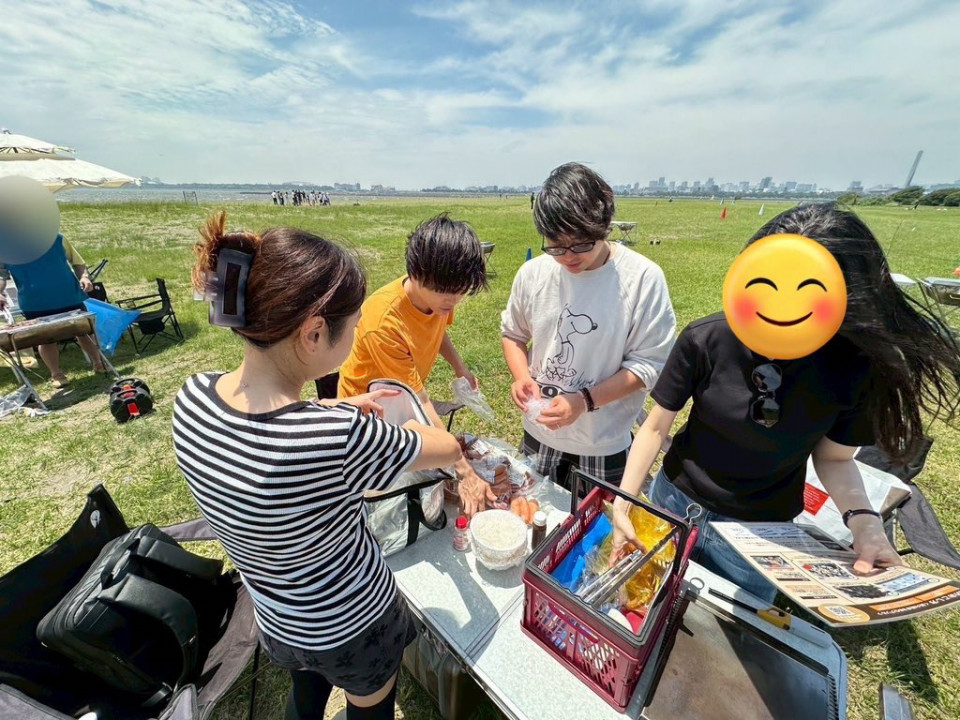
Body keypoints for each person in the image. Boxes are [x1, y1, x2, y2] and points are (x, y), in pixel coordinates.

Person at [172, 211, 461, 720]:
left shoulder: (191, 397)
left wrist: (332, 408)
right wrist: (374, 421)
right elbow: (447, 449)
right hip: (354, 623)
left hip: (279, 616)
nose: (357, 333)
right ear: (313, 334)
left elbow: (271, 429)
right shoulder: (339, 438)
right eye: (352, 325)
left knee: (304, 697)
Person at [612, 203, 960, 602]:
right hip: (674, 502)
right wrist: (624, 502)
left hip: (761, 534)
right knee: (649, 602)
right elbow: (655, 427)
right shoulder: (707, 338)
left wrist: (865, 523)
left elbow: (835, 459)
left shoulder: (854, 367)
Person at [501, 163, 676, 489]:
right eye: (555, 245)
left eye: (581, 243)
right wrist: (522, 376)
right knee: (534, 510)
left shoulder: (642, 279)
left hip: (602, 441)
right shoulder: (534, 274)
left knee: (596, 521)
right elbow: (513, 333)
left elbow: (647, 366)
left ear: (604, 225)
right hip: (539, 432)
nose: (568, 256)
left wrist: (584, 401)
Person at [338, 213, 494, 515]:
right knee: (389, 502)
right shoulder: (384, 322)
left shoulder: (439, 297)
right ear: (417, 273)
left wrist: (459, 367)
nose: (454, 300)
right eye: (447, 292)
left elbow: (439, 329)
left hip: (403, 398)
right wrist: (464, 470)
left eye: (461, 290)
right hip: (370, 414)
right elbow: (418, 402)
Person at [0, 235, 106, 387]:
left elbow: (78, 262)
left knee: (85, 332)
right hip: (35, 303)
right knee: (46, 339)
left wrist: (84, 277)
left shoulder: (58, 238)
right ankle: (57, 374)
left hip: (70, 296)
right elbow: (1, 276)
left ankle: (99, 363)